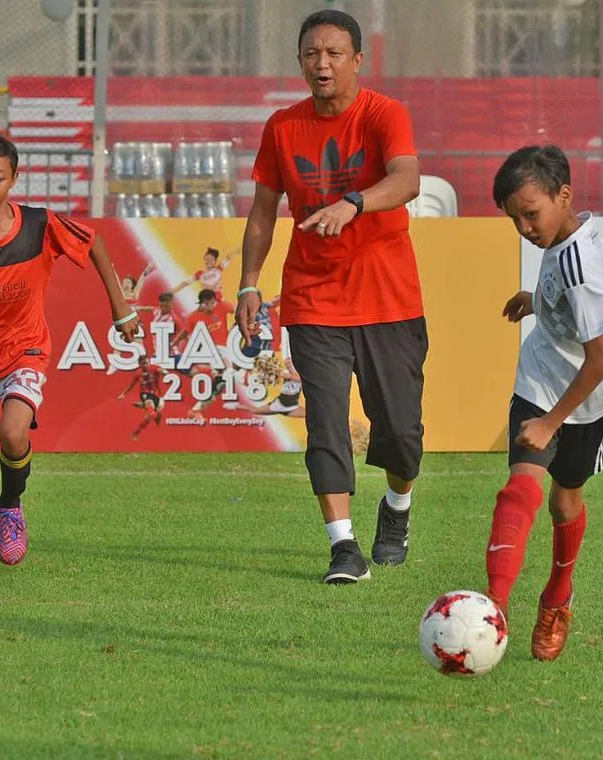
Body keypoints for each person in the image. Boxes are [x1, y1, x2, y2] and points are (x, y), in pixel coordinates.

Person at [236, 9, 427, 584]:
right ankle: (343, 547)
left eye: (334, 54)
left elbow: (408, 180)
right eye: (311, 54)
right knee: (325, 422)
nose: (322, 64)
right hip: (313, 297)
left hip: (389, 299)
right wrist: (249, 282)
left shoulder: (384, 113)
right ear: (300, 62)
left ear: (357, 60)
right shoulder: (281, 126)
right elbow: (262, 213)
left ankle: (396, 507)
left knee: (401, 432)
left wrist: (355, 202)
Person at [0, 130, 138, 566]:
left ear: (14, 178)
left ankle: (10, 506)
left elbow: (94, 243)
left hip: (27, 350)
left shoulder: (40, 225)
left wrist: (121, 307)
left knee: (15, 432)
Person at [485, 145, 603, 661]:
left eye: (530, 214)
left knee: (565, 502)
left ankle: (557, 597)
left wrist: (550, 423)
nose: (524, 228)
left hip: (584, 398)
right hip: (539, 380)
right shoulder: (577, 232)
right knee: (520, 488)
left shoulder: (580, 265)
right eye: (514, 219)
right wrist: (541, 303)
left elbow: (599, 361)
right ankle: (491, 611)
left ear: (562, 195)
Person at [118, 354, 168, 440]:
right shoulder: (138, 373)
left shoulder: (154, 368)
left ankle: (144, 407)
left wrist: (164, 372)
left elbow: (163, 371)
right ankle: (135, 434)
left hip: (156, 394)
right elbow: (131, 385)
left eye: (146, 363)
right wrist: (123, 394)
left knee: (149, 417)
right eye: (143, 363)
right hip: (145, 394)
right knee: (150, 407)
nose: (145, 365)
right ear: (139, 364)